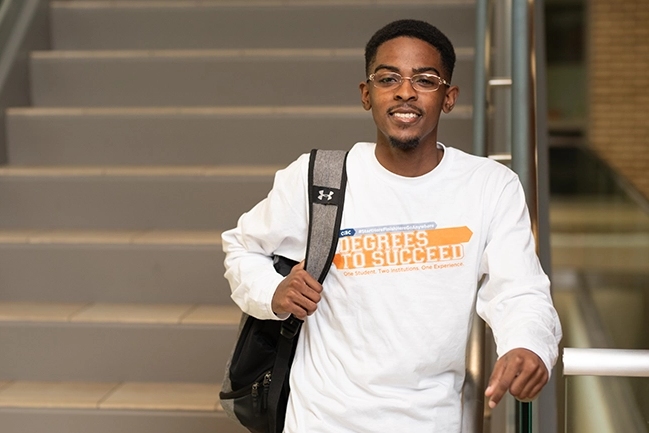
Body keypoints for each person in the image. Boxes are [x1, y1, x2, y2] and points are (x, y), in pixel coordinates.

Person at [221, 19, 562, 432]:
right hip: (322, 418)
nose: (405, 91)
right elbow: (242, 248)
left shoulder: (490, 185)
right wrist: (272, 290)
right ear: (367, 95)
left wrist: (528, 345)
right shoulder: (318, 176)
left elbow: (520, 289)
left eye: (426, 79)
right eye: (388, 78)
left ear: (449, 98)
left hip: (431, 420)